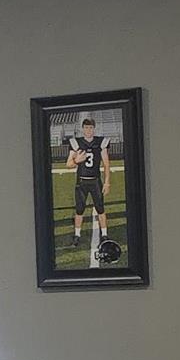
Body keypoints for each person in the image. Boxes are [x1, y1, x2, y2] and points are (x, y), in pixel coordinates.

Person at [62, 112, 113, 261]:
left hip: (95, 180)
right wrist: (77, 160)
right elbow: (68, 164)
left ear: (94, 129)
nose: (88, 130)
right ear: (83, 129)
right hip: (81, 181)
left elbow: (106, 163)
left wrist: (107, 181)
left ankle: (104, 234)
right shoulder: (76, 143)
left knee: (100, 208)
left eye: (91, 127)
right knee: (79, 210)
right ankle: (77, 235)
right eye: (86, 127)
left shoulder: (101, 142)